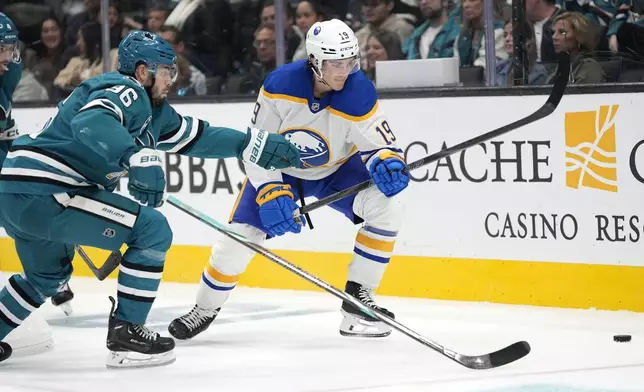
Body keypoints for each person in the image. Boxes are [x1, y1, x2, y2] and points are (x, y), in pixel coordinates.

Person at [0, 30, 300, 368]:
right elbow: (92, 121)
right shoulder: (126, 90)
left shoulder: (155, 113)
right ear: (143, 71)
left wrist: (247, 144)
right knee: (152, 230)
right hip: (48, 190)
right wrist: (134, 156)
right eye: (166, 70)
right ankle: (127, 334)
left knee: (45, 277)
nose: (172, 78)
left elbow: (198, 138)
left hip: (17, 191)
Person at [169, 19, 411, 341]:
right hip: (281, 168)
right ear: (314, 60)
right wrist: (269, 188)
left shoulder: (359, 91)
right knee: (238, 239)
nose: (344, 70)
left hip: (336, 170)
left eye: (350, 61)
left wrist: (388, 162)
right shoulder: (280, 85)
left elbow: (378, 143)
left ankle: (358, 303)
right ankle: (204, 308)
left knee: (388, 206)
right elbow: (256, 146)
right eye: (335, 63)